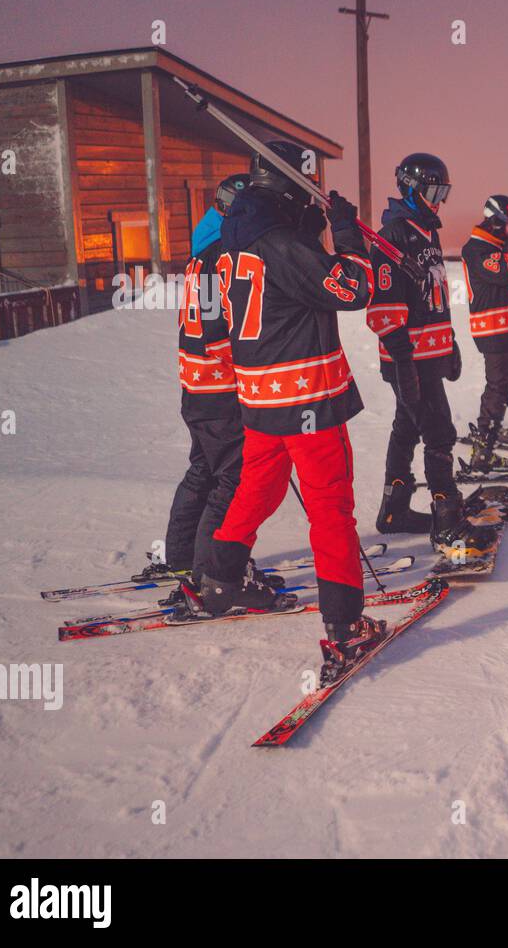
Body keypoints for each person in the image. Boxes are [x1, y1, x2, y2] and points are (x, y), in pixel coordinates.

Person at [198, 139, 381, 683]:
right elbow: (352, 288)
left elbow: (286, 287)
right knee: (330, 507)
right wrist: (345, 233)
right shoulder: (279, 242)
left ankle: (221, 576)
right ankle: (346, 628)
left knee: (259, 486)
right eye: (309, 186)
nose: (315, 195)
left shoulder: (237, 238)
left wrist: (314, 224)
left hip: (258, 394)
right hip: (303, 396)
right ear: (291, 185)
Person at [136, 173, 286, 599]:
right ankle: (210, 571)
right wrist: (251, 373)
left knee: (204, 469)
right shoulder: (225, 253)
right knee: (231, 478)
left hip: (196, 385)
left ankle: (183, 555)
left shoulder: (203, 250)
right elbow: (219, 335)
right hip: (219, 389)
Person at [367, 152, 495, 558]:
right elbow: (383, 309)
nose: (439, 199)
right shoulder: (394, 235)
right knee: (439, 433)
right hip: (410, 361)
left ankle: (395, 510)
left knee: (407, 427)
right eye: (433, 190)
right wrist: (403, 363)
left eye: (445, 191)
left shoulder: (426, 232)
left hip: (428, 357)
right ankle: (447, 521)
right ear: (411, 187)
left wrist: (450, 344)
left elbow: (433, 298)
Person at [459, 195, 508, 472]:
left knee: (504, 384)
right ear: (495, 222)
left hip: (504, 326)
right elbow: (506, 271)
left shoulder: (495, 245)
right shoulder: (477, 248)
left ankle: (495, 428)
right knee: (497, 385)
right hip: (492, 328)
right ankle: (483, 448)